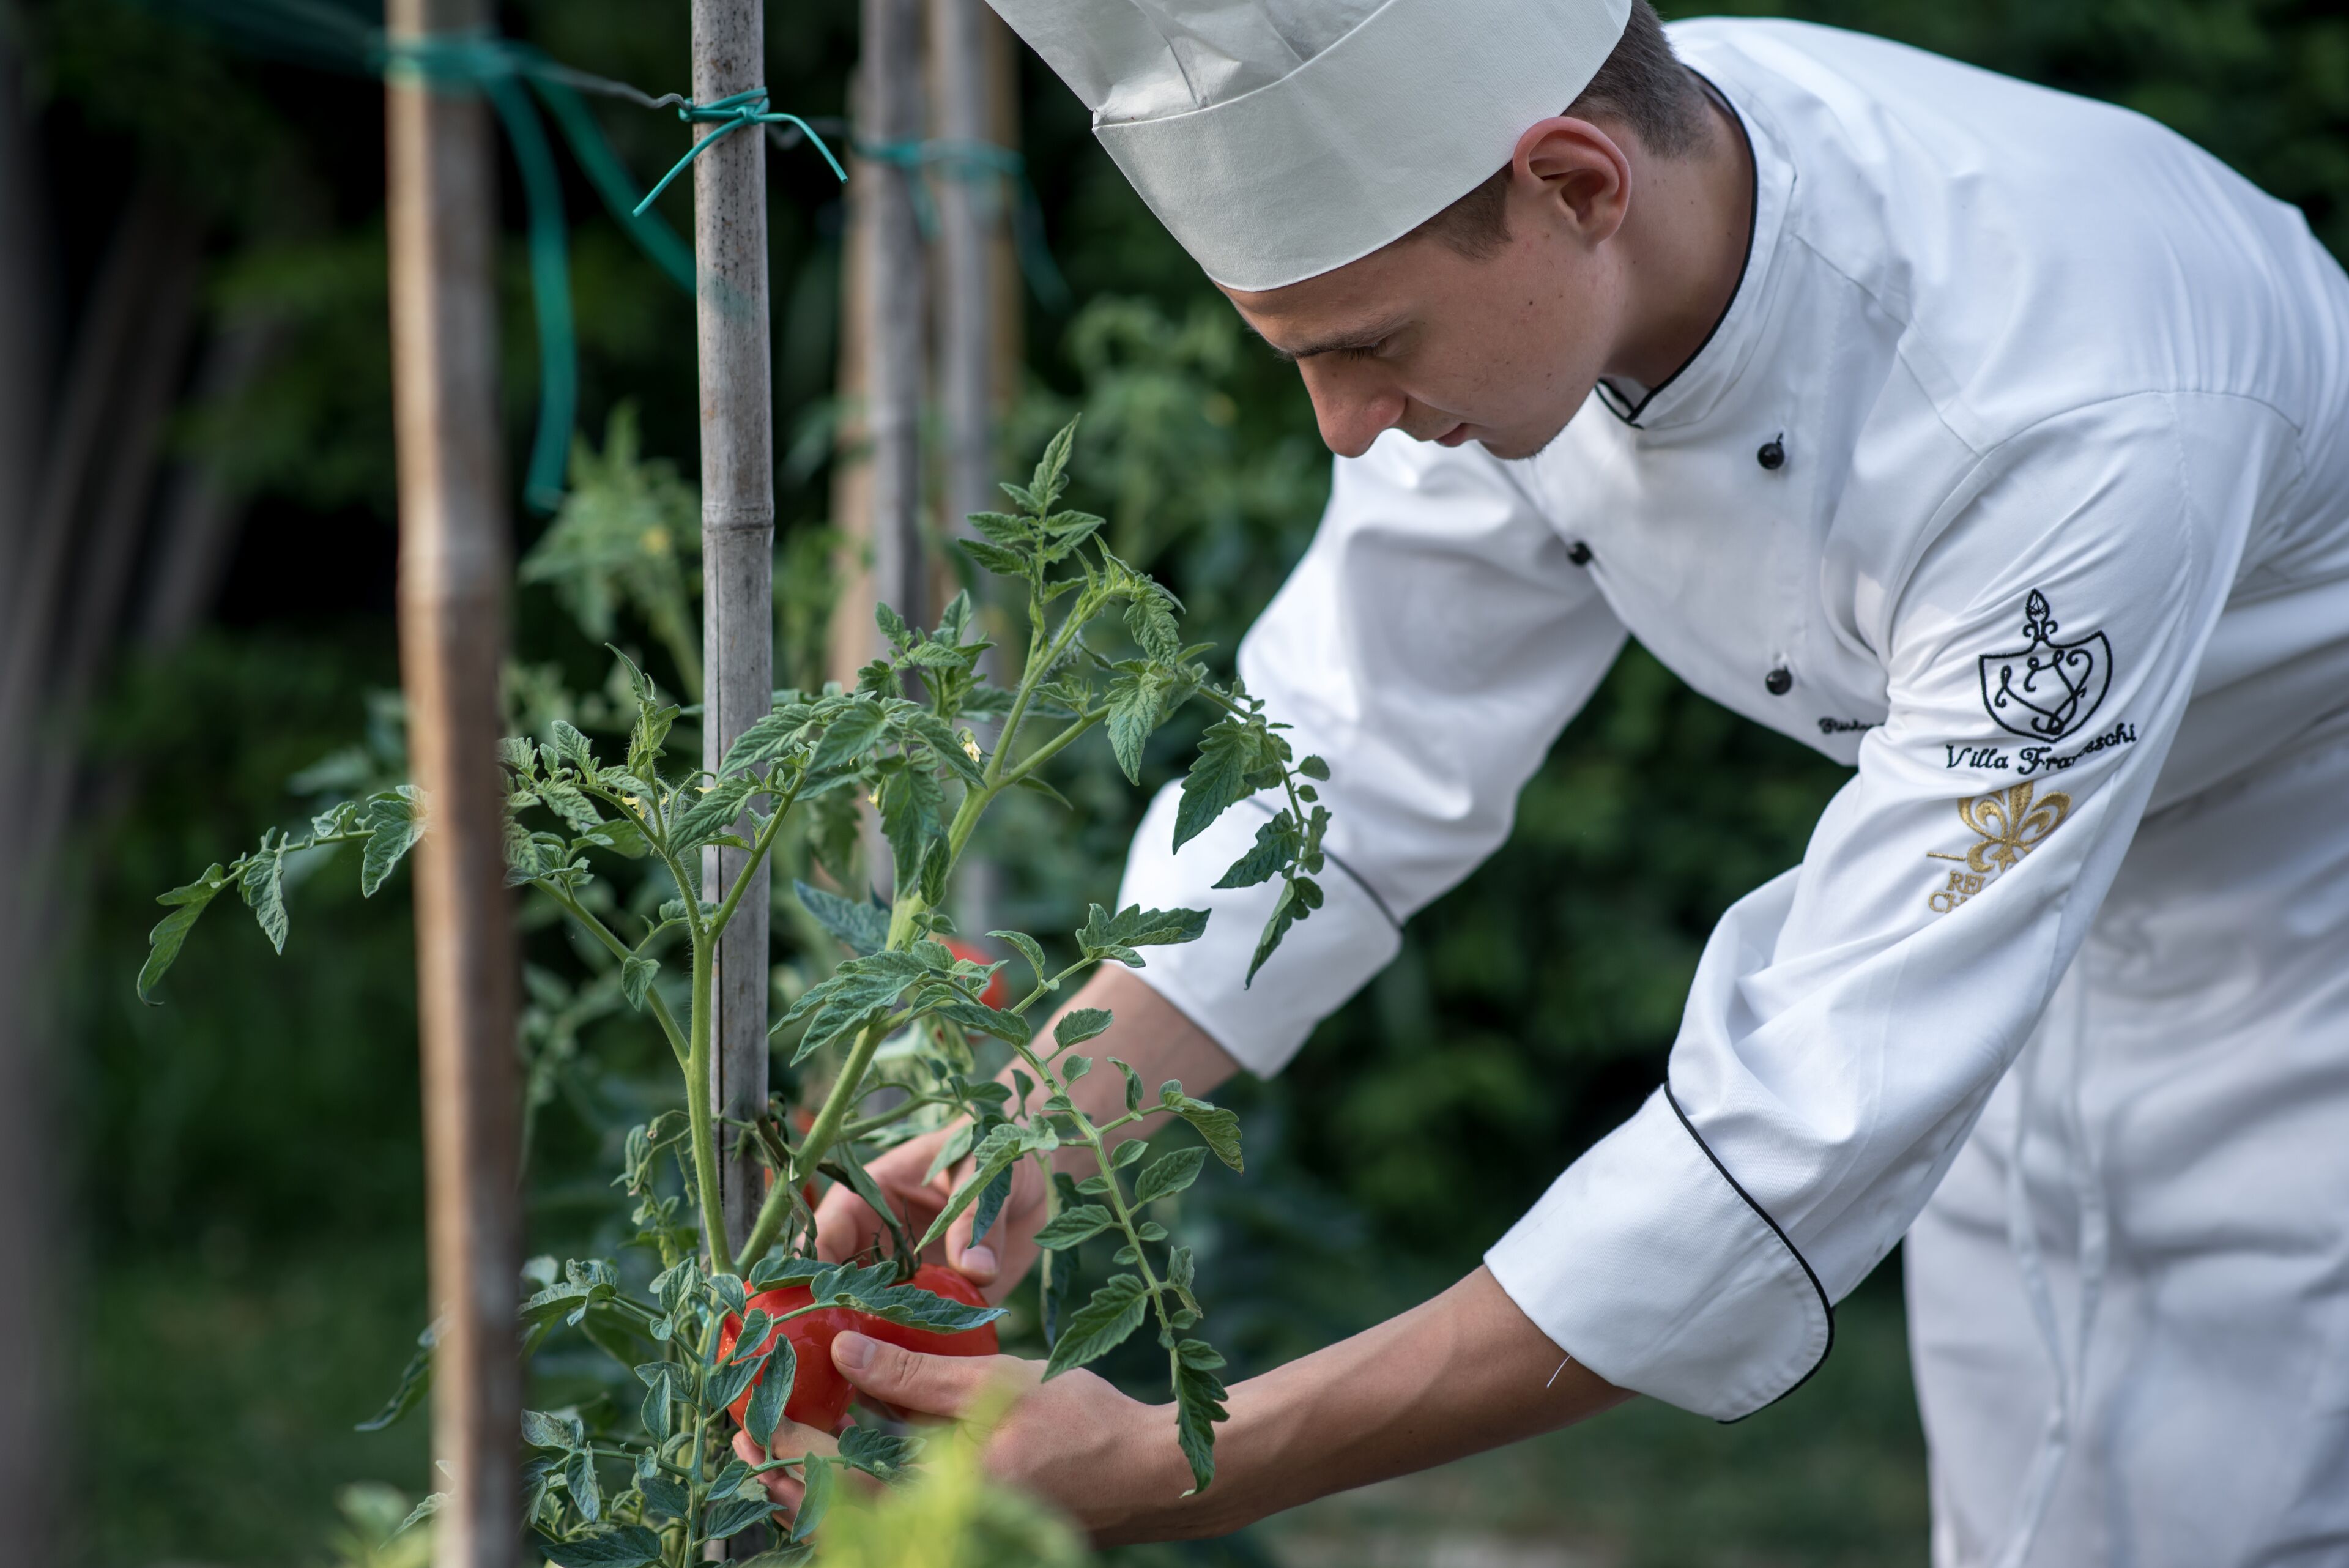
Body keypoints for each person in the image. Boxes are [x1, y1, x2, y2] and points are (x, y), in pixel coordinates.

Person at [746, 5, 2349, 1562]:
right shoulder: (1593, 259)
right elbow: (1357, 748)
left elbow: (1799, 1119)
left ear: (1575, 184)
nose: (1348, 428)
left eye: (1368, 346)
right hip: (2024, 942)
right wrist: (1037, 1112)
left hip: (2300, 963)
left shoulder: (2070, 413)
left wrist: (1188, 1459)